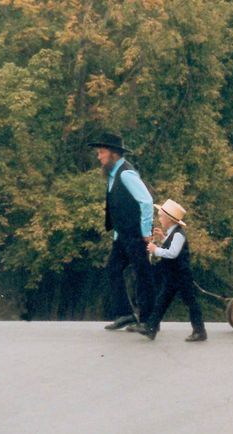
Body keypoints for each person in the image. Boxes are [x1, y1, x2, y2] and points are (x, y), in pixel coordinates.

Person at [88, 132, 156, 332]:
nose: (98, 157)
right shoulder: (112, 175)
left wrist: (145, 232)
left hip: (135, 234)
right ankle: (126, 314)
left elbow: (146, 201)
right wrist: (117, 234)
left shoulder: (126, 173)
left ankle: (148, 320)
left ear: (114, 154)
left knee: (142, 274)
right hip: (122, 236)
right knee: (113, 269)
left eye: (101, 152)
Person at [136, 200, 206, 342]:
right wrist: (163, 238)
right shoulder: (173, 233)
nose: (160, 218)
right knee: (161, 301)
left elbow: (173, 253)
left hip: (181, 276)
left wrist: (156, 250)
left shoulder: (179, 234)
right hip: (173, 276)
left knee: (190, 301)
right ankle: (151, 329)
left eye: (161, 216)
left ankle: (200, 331)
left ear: (169, 219)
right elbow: (171, 246)